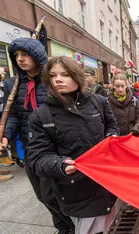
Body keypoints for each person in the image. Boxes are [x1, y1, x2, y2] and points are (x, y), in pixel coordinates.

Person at [26, 56, 119, 234]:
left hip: (106, 183)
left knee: (105, 225)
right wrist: (59, 165)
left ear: (77, 76)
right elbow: (37, 158)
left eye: (65, 74)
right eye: (53, 75)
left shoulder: (98, 102)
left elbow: (111, 125)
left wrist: (112, 137)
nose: (58, 79)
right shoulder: (41, 116)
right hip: (75, 190)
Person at [0, 38, 74, 233]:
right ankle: (63, 227)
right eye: (16, 55)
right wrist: (6, 135)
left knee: (59, 194)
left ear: (37, 55)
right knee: (43, 196)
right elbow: (15, 115)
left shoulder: (52, 79)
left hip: (56, 147)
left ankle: (73, 227)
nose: (20, 59)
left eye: (25, 54)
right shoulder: (13, 84)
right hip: (30, 148)